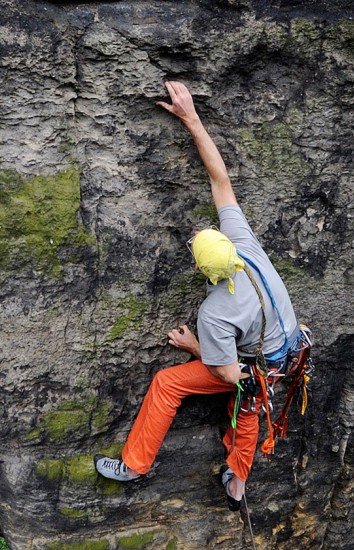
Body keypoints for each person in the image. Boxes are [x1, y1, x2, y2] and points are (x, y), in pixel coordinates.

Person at [94, 81, 299, 511]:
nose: (197, 233)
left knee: (172, 384)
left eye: (197, 242)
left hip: (255, 366)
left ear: (200, 268)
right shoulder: (245, 246)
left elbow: (228, 374)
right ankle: (237, 482)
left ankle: (134, 465)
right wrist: (191, 118)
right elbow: (219, 178)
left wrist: (193, 347)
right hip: (287, 349)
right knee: (250, 405)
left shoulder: (215, 313)